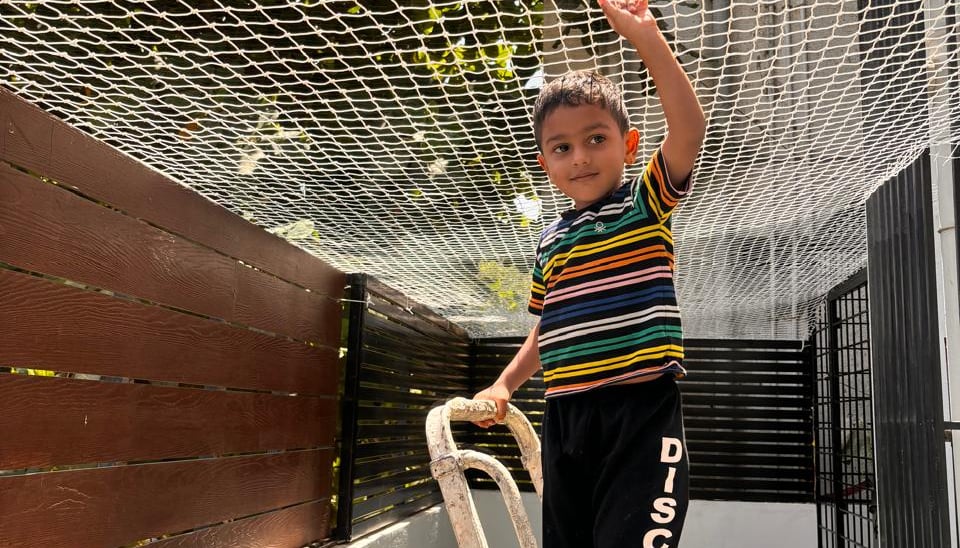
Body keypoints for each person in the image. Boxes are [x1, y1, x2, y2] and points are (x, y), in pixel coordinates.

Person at [472, 0, 706, 546]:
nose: (580, 157)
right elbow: (548, 325)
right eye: (562, 148)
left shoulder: (644, 204)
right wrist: (505, 383)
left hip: (640, 412)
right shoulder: (550, 241)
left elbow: (690, 127)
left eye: (596, 139)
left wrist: (646, 39)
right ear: (544, 162)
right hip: (566, 417)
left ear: (629, 145)